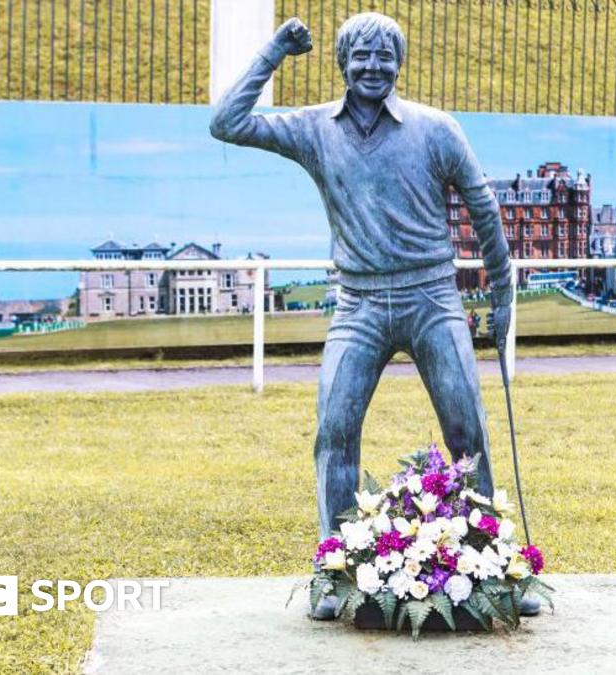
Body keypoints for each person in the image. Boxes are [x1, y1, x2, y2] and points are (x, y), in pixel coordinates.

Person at [210, 12, 526, 619]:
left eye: (385, 57)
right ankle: (334, 569)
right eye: (361, 57)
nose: (373, 68)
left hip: (433, 297)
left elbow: (484, 209)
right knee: (334, 430)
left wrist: (503, 292)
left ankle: (495, 564)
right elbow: (226, 123)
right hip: (357, 304)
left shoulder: (437, 130)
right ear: (342, 64)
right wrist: (275, 50)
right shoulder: (311, 130)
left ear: (399, 64)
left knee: (468, 430)